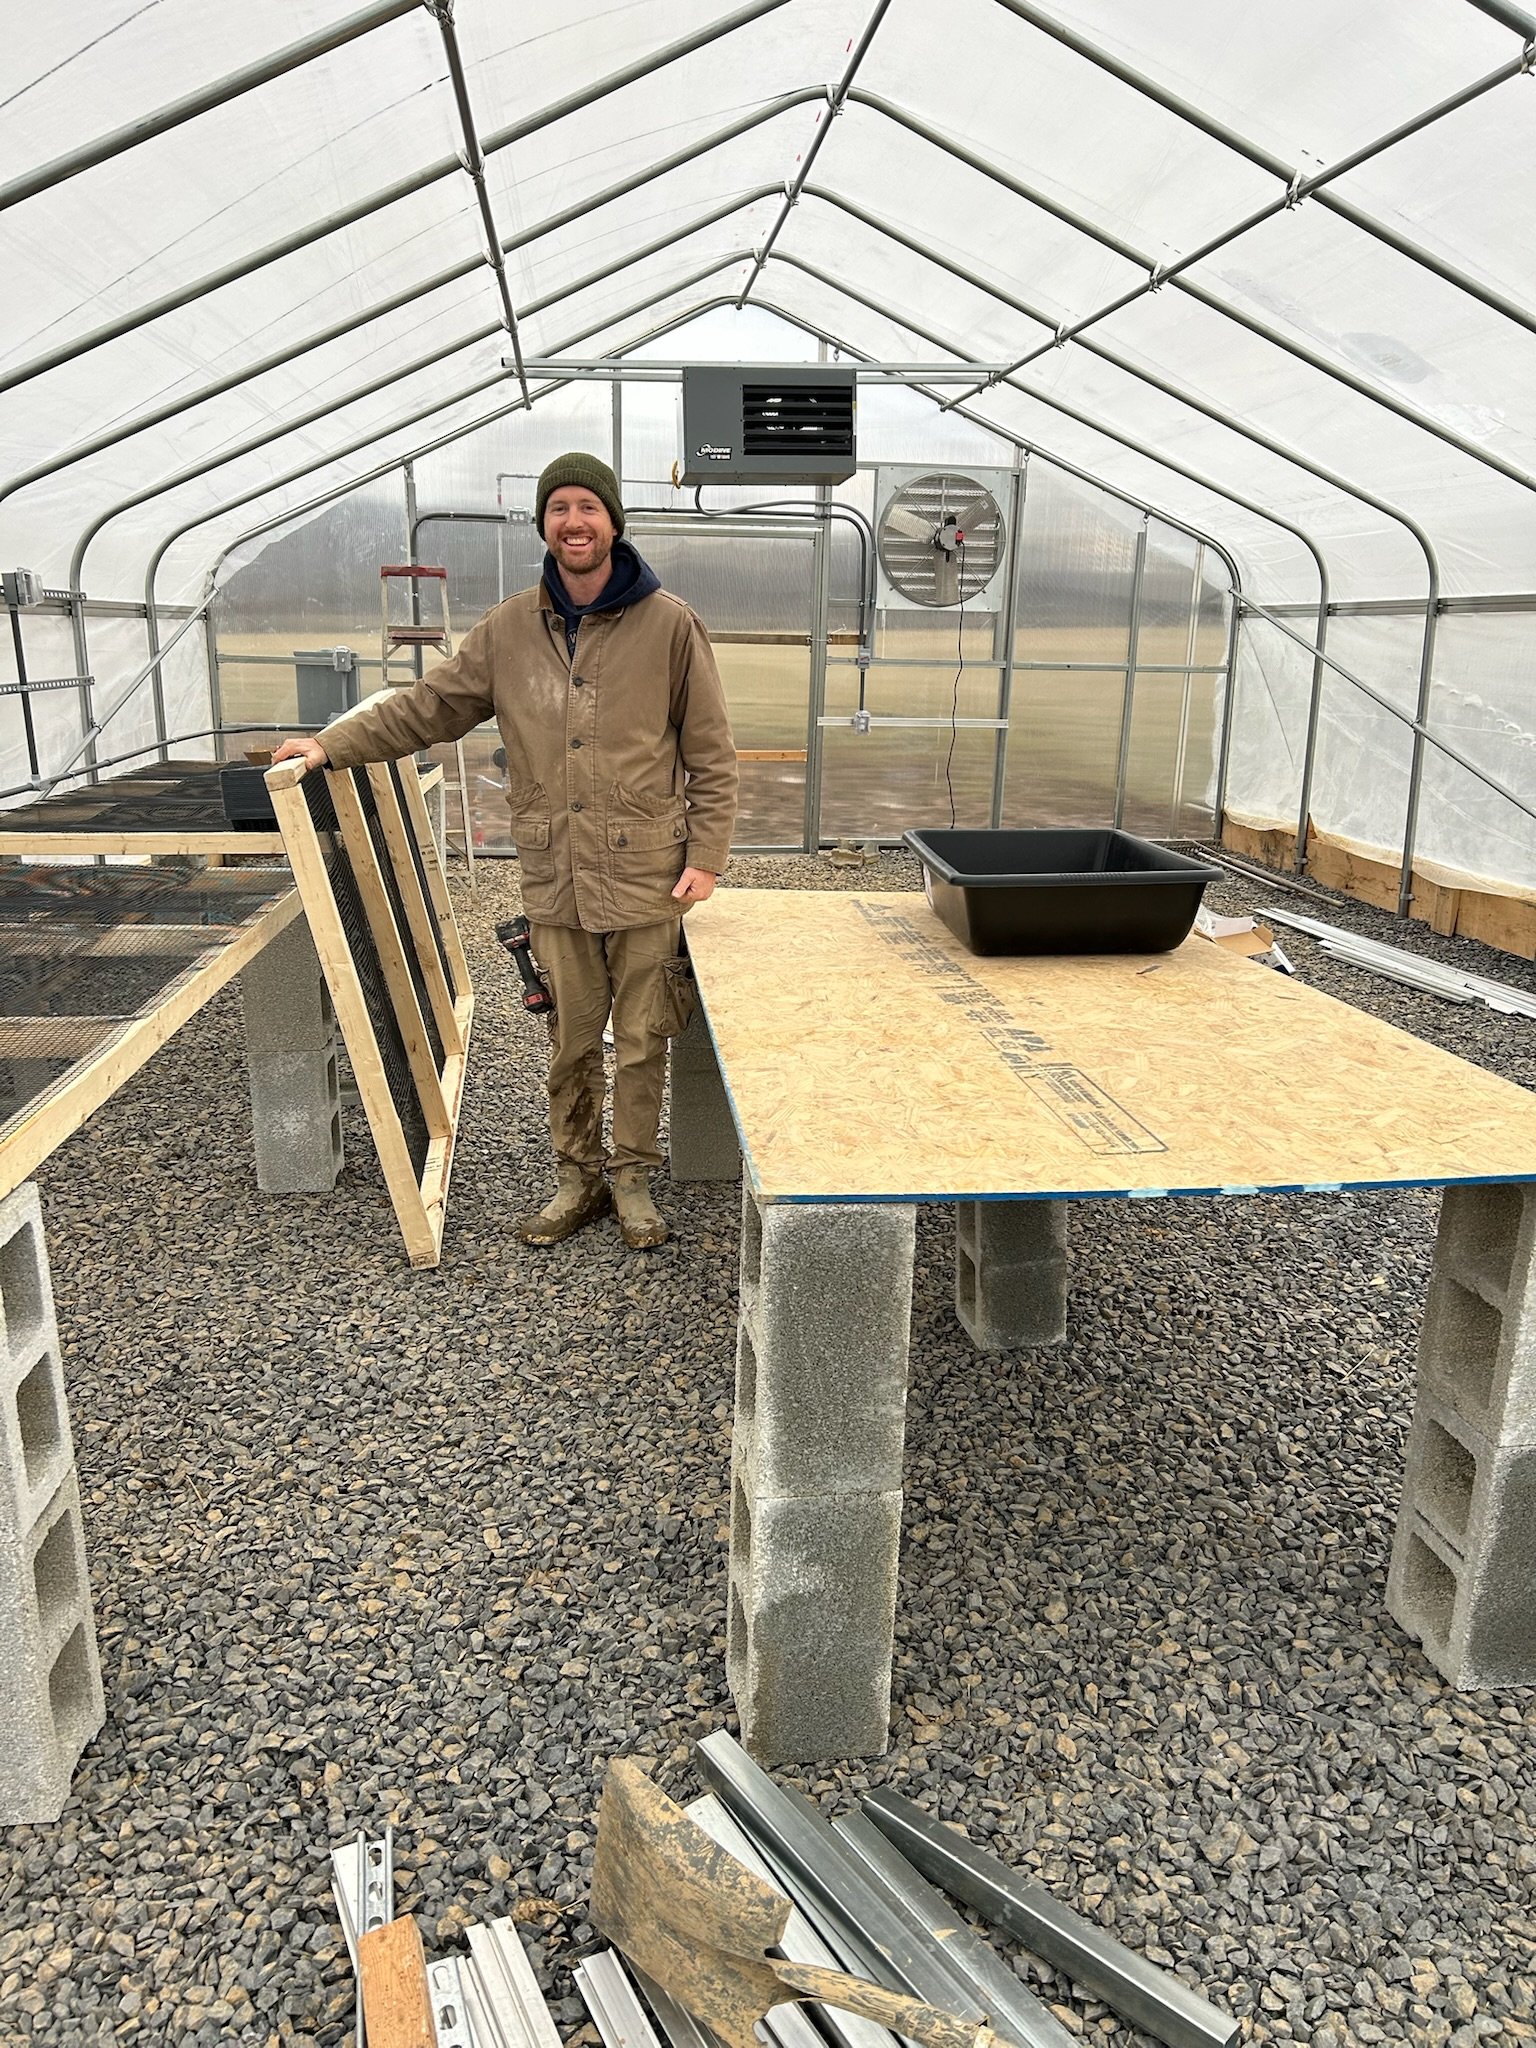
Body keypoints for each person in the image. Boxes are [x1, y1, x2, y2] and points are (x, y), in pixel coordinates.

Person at [272, 452, 738, 1250]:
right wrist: (328, 745)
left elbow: (712, 754)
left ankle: (631, 1182)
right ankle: (575, 1179)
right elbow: (428, 707)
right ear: (544, 525)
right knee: (570, 1039)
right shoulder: (512, 628)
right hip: (556, 876)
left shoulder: (670, 625)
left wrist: (707, 855)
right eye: (558, 507)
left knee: (642, 1038)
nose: (574, 521)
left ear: (614, 520)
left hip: (647, 873)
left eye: (588, 506)